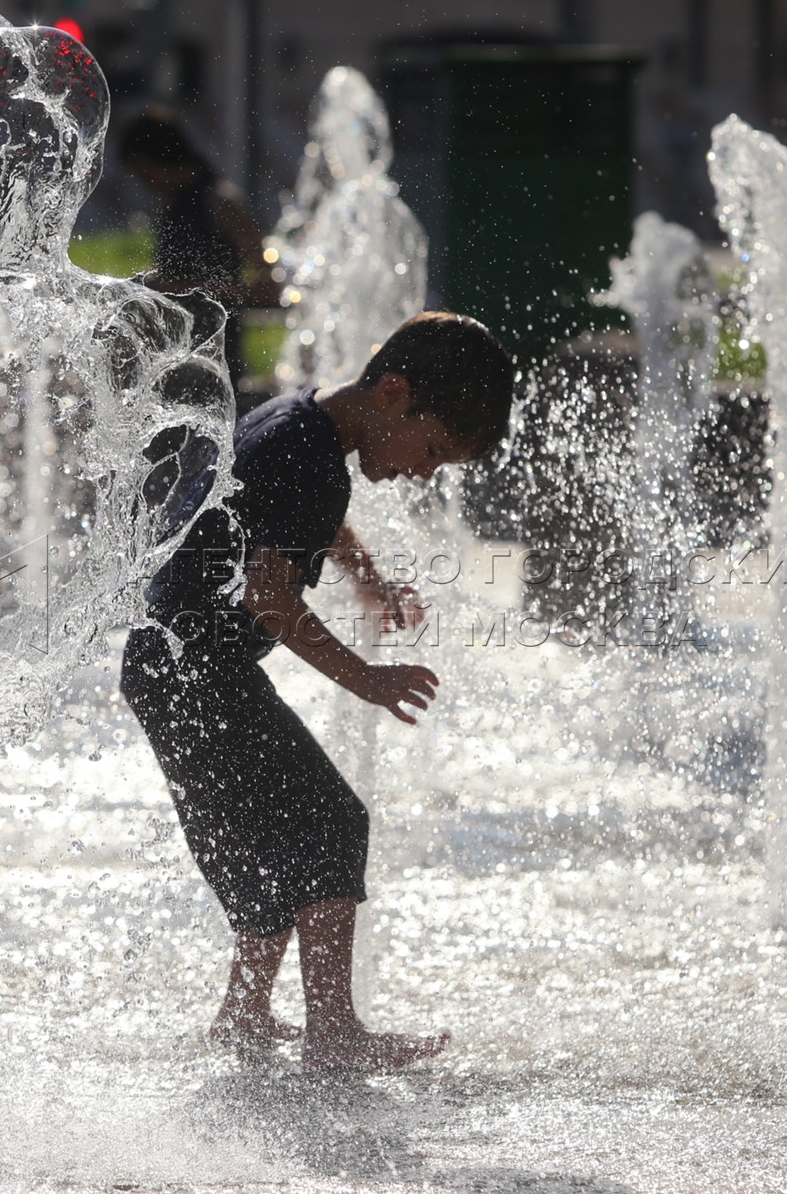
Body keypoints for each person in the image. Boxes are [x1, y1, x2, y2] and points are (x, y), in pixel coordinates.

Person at [121, 312, 515, 1071]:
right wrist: (365, 679)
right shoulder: (310, 456)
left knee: (260, 849)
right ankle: (333, 1034)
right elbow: (269, 595)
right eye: (431, 451)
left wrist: (368, 583)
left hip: (172, 666)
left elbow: (317, 524)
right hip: (198, 671)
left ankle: (243, 1017)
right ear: (394, 394)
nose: (422, 474)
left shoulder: (299, 423)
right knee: (333, 822)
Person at [117, 107, 277, 392]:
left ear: (161, 159)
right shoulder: (175, 205)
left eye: (144, 172)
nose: (145, 183)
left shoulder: (222, 202)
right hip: (172, 360)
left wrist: (185, 289)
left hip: (215, 364)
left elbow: (269, 289)